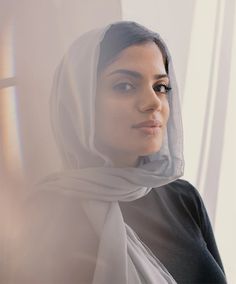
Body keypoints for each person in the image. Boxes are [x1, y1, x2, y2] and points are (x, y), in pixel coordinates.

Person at [8, 21, 227, 284]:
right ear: (80, 103)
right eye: (124, 86)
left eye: (161, 87)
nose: (153, 103)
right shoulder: (47, 214)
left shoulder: (183, 199)